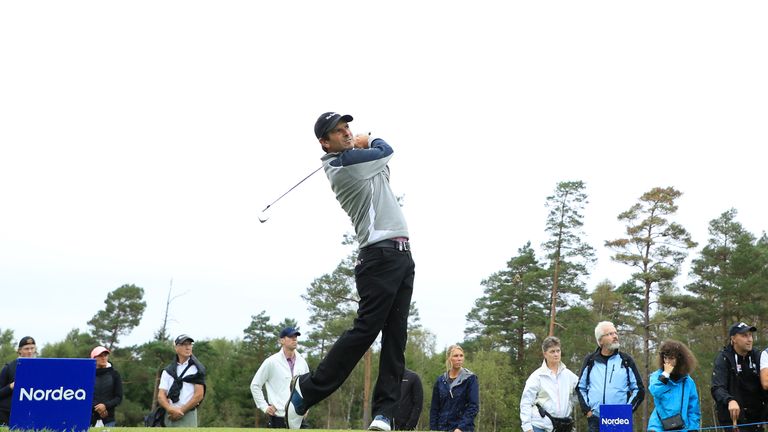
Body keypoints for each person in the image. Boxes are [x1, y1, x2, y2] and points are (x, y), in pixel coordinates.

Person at [285, 112, 415, 431]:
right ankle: (308, 389)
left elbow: (383, 167)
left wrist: (360, 145)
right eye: (338, 131)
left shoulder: (356, 161)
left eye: (347, 129)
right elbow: (385, 151)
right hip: (378, 256)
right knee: (366, 330)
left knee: (396, 335)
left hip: (401, 255)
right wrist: (368, 139)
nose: (345, 133)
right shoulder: (342, 165)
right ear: (324, 142)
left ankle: (384, 412)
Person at [577, 321, 645, 432]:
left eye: (615, 333)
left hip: (619, 419)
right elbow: (580, 387)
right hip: (595, 419)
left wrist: (626, 410)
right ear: (600, 341)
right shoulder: (590, 360)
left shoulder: (626, 360)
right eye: (609, 334)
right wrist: (587, 411)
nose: (615, 336)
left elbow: (639, 389)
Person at [250, 327, 310, 428]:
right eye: (291, 337)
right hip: (278, 417)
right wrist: (264, 407)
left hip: (298, 417)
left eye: (295, 337)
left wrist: (307, 407)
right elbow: (255, 385)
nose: (294, 339)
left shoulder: (302, 362)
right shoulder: (271, 362)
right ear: (281, 340)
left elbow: (307, 387)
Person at [712, 322, 766, 432]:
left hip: (757, 420)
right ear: (733, 339)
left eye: (750, 335)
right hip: (734, 421)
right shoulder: (723, 359)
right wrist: (729, 400)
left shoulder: (758, 356)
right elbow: (717, 388)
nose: (749, 339)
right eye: (744, 335)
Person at [520, 336, 579, 432]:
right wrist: (527, 428)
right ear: (545, 354)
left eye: (558, 351)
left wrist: (570, 404)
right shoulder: (537, 376)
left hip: (563, 426)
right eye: (552, 351)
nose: (556, 354)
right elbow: (526, 402)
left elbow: (580, 392)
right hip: (540, 426)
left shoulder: (569, 375)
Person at [647, 340, 700, 432]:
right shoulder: (656, 376)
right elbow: (655, 390)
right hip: (658, 426)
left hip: (682, 427)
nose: (667, 362)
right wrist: (665, 375)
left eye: (671, 358)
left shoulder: (688, 382)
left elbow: (693, 408)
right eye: (665, 358)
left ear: (679, 359)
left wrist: (693, 428)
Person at [157, 334, 206, 427]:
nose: (188, 347)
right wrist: (170, 409)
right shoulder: (168, 371)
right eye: (184, 344)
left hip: (188, 414)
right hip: (169, 414)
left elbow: (199, 395)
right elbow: (161, 395)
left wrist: (181, 411)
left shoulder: (197, 369)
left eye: (190, 344)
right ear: (176, 348)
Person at [429, 345, 479, 432]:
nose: (459, 359)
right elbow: (434, 408)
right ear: (449, 358)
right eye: (455, 356)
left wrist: (460, 428)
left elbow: (473, 406)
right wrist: (433, 429)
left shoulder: (470, 379)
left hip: (463, 428)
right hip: (442, 427)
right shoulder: (441, 380)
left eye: (461, 355)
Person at [0, 336, 37, 425]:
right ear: (19, 350)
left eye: (32, 348)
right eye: (26, 349)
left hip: (30, 413)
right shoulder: (9, 367)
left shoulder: (40, 368)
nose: (30, 351)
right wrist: (11, 386)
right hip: (7, 414)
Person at [90, 346, 123, 427]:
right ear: (94, 358)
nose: (104, 358)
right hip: (89, 418)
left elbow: (118, 397)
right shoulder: (87, 374)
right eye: (100, 356)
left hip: (109, 418)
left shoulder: (114, 374)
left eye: (105, 355)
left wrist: (105, 406)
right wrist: (98, 408)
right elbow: (83, 395)